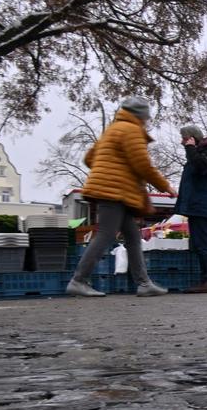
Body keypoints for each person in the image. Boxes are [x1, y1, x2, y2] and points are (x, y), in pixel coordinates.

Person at [67, 96, 174, 297]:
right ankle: (78, 280)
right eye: (146, 117)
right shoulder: (131, 130)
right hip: (114, 191)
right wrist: (165, 186)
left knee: (133, 236)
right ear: (140, 115)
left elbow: (89, 158)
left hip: (113, 191)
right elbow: (142, 164)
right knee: (106, 234)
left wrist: (107, 168)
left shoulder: (113, 129)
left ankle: (144, 283)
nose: (147, 121)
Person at [175, 124, 207, 293]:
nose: (182, 142)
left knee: (204, 245)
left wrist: (190, 148)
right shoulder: (200, 154)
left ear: (192, 138)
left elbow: (199, 167)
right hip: (196, 207)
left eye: (184, 139)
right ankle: (206, 280)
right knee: (200, 244)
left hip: (202, 207)